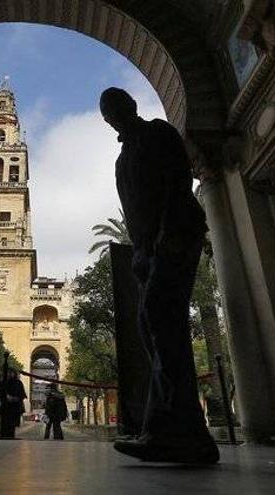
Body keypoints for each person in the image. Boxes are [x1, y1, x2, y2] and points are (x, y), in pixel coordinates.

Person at [99, 88, 219, 464]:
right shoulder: (123, 157)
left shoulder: (159, 133)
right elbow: (135, 210)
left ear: (131, 106)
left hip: (175, 238)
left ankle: (169, 430)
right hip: (148, 250)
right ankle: (180, 430)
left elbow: (177, 185)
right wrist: (139, 250)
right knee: (155, 328)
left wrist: (166, 234)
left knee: (160, 322)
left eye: (117, 106)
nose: (113, 115)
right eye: (108, 111)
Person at [0, 368, 27, 439]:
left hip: (14, 408)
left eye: (11, 373)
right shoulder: (3, 382)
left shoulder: (18, 383)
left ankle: (10, 438)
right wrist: (5, 397)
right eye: (8, 373)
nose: (10, 374)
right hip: (5, 407)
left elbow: (22, 395)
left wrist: (15, 398)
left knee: (12, 427)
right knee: (4, 425)